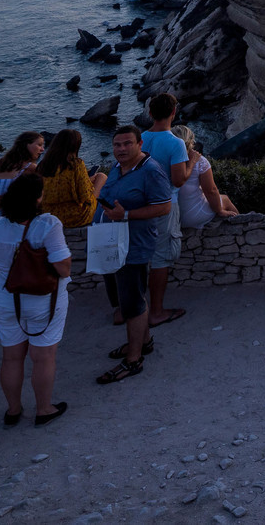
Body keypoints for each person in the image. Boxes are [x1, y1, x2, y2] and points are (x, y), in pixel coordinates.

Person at [0, 174, 71, 426]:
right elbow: (63, 267)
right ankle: (43, 409)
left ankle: (13, 410)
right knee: (43, 357)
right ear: (37, 198)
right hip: (43, 300)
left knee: (10, 357)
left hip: (4, 298)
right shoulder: (47, 224)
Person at [95, 125, 173, 384]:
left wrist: (125, 215)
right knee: (128, 297)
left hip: (133, 246)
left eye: (127, 144)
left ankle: (134, 359)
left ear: (140, 144)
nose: (121, 149)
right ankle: (145, 342)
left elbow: (164, 207)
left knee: (132, 303)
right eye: (117, 145)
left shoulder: (151, 171)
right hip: (112, 244)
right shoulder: (118, 168)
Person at [141, 94, 192, 328]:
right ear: (174, 113)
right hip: (164, 205)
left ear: (150, 113)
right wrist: (191, 163)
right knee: (160, 260)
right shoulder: (176, 143)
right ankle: (157, 312)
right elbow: (179, 180)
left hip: (139, 205)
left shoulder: (139, 139)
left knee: (138, 258)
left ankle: (129, 310)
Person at [35, 129, 105, 229]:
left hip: (48, 215)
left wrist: (85, 177)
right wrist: (90, 182)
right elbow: (85, 197)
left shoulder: (43, 165)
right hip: (74, 218)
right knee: (101, 176)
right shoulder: (76, 164)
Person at [172, 126, 238, 228]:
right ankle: (242, 225)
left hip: (171, 217)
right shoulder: (200, 162)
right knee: (225, 199)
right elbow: (211, 191)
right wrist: (219, 210)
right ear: (191, 141)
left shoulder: (165, 160)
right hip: (191, 217)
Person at [0, 132, 43, 227]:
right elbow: (39, 199)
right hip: (8, 219)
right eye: (39, 145)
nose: (42, 149)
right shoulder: (29, 168)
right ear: (26, 145)